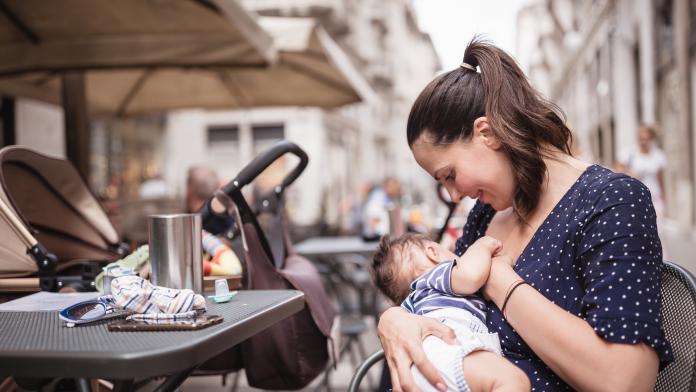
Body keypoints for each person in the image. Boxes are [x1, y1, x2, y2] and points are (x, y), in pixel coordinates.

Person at [377, 37, 672, 392]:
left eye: (450, 175)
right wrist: (394, 319)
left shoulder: (612, 202)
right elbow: (443, 297)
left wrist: (500, 282)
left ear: (487, 133)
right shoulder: (485, 216)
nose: (454, 195)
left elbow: (626, 381)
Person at [371, 233, 530, 391]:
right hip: (448, 346)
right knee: (513, 382)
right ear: (433, 252)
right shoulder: (435, 276)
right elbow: (470, 276)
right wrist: (483, 245)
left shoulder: (413, 302)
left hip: (420, 367)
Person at [616, 125, 667, 221]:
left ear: (651, 139)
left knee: (657, 227)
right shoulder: (628, 153)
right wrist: (629, 173)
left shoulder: (658, 156)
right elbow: (617, 173)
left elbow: (660, 178)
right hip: (634, 197)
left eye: (646, 138)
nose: (643, 141)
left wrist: (663, 198)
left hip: (654, 197)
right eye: (641, 138)